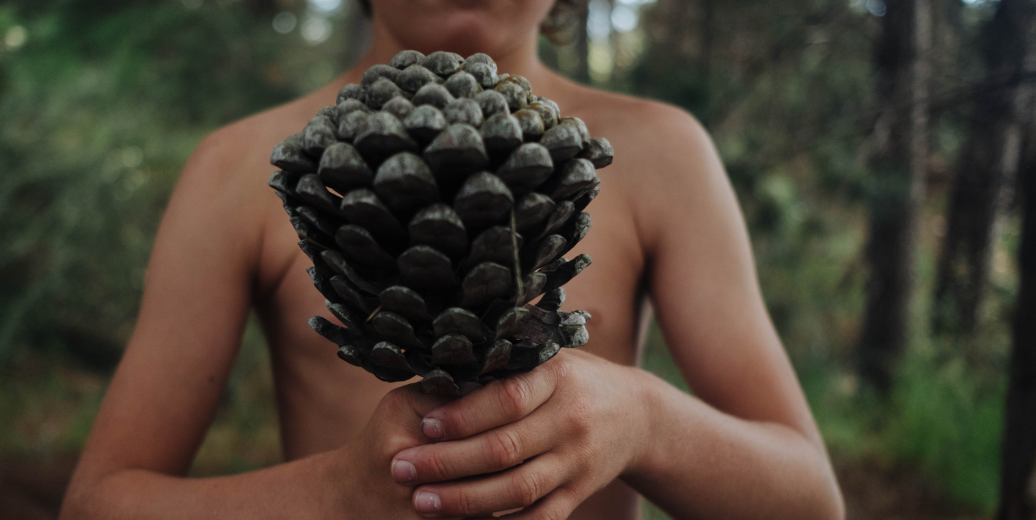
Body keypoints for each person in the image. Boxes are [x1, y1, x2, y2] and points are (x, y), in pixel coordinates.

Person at [59, 0, 845, 518]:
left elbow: (810, 499)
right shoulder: (236, 171)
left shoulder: (665, 155)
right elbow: (101, 502)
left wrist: (644, 421)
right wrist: (334, 495)